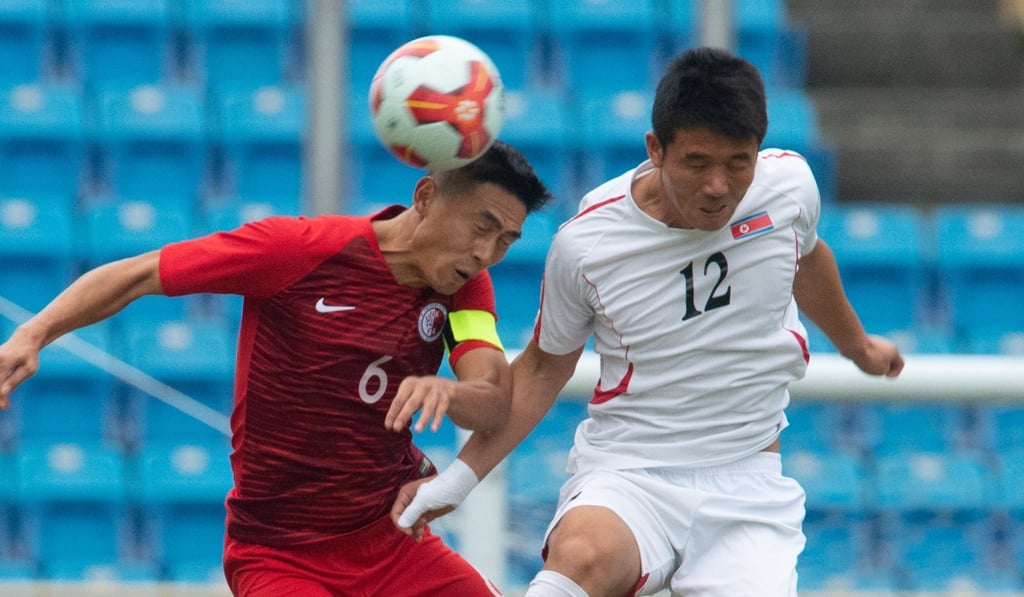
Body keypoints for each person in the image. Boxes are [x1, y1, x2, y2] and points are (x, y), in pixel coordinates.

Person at [393, 47, 905, 597]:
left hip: (747, 481)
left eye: (738, 163)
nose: (718, 186)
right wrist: (460, 479)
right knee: (580, 561)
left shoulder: (790, 188)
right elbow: (543, 368)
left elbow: (805, 258)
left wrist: (858, 347)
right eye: (697, 163)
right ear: (655, 149)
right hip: (628, 472)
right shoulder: (588, 244)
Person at [0, 140, 552, 596]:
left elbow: (493, 398)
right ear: (427, 195)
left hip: (391, 540)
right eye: (482, 226)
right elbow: (142, 273)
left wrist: (448, 393)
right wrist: (33, 333)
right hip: (280, 555)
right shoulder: (299, 251)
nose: (488, 253)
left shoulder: (463, 289)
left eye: (506, 240)